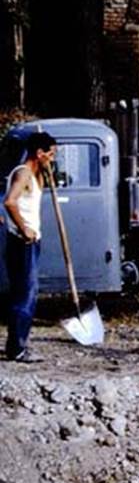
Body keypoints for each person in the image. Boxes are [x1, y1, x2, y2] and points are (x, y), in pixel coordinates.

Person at [3, 131, 56, 363]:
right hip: (22, 241)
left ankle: (17, 344)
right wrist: (24, 228)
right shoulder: (23, 173)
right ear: (39, 153)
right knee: (26, 294)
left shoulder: (35, 174)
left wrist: (46, 170)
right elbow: (9, 201)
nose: (52, 159)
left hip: (30, 241)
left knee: (23, 292)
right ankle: (17, 349)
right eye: (50, 154)